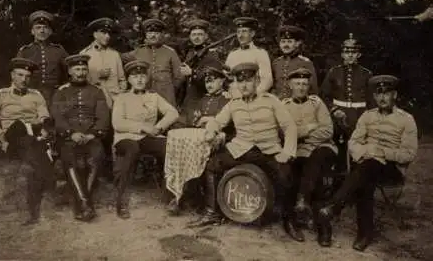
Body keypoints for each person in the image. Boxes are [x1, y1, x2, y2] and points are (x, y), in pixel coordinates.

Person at [188, 62, 297, 227]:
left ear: (257, 80)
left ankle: (288, 220)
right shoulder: (234, 103)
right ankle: (212, 213)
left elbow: (289, 126)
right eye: (240, 81)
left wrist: (287, 152)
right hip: (241, 149)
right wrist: (211, 131)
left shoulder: (271, 101)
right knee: (211, 166)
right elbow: (217, 121)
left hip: (268, 150)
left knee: (286, 173)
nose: (244, 85)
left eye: (248, 80)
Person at [318, 75, 418, 251]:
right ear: (374, 97)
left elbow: (409, 154)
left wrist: (381, 153)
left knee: (366, 169)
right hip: (367, 165)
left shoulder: (406, 119)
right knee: (366, 176)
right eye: (378, 94)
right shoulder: (367, 116)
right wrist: (365, 154)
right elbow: (353, 143)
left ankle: (335, 207)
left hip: (392, 168)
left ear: (394, 95)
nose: (382, 98)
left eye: (387, 93)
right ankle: (364, 234)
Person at [0, 58, 55, 225]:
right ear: (12, 76)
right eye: (20, 75)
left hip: (34, 136)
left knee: (34, 153)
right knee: (23, 134)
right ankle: (48, 180)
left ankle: (33, 213)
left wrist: (45, 127)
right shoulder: (0, 95)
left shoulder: (36, 95)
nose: (24, 79)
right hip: (12, 138)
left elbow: (44, 115)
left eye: (28, 76)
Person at [111, 60, 179, 219]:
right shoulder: (122, 98)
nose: (140, 79)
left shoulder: (154, 97)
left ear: (147, 78)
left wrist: (159, 127)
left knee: (168, 146)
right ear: (129, 80)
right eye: (135, 76)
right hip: (125, 138)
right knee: (132, 149)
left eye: (142, 76)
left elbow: (173, 113)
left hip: (147, 138)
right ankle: (121, 200)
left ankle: (171, 196)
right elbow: (118, 124)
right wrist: (143, 127)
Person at [166, 60, 233, 216]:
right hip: (198, 140)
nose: (209, 84)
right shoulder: (202, 100)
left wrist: (209, 120)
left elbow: (230, 125)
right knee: (181, 153)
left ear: (222, 80)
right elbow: (193, 120)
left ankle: (199, 200)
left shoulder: (228, 100)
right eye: (206, 81)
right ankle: (178, 195)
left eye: (214, 80)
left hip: (219, 140)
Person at [282, 68, 338, 247]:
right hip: (298, 151)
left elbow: (327, 130)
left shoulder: (317, 103)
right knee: (292, 174)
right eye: (297, 84)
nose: (301, 87)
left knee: (317, 161)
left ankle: (322, 225)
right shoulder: (284, 106)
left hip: (321, 148)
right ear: (290, 85)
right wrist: (307, 130)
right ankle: (293, 219)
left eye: (305, 84)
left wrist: (300, 136)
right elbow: (282, 132)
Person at [51, 54, 110, 222]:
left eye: (84, 69)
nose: (81, 72)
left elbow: (103, 116)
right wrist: (71, 133)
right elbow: (57, 116)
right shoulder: (61, 92)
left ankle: (83, 203)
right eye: (77, 69)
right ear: (70, 71)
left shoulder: (96, 91)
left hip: (91, 136)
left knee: (97, 158)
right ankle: (85, 203)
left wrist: (93, 134)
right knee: (70, 159)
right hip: (69, 137)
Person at [320, 33, 373, 151]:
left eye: (353, 53)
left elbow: (371, 100)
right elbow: (324, 95)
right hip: (338, 115)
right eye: (347, 52)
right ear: (342, 54)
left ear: (359, 54)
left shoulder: (367, 74)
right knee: (339, 147)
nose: (350, 55)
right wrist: (334, 110)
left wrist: (367, 116)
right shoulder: (334, 72)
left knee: (359, 147)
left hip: (360, 115)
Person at [121, 18, 184, 107]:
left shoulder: (170, 52)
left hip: (166, 96)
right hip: (145, 96)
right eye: (150, 33)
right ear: (145, 35)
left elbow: (179, 76)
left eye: (156, 33)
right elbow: (119, 57)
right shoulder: (138, 52)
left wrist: (170, 89)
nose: (153, 36)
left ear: (161, 35)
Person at [17, 10, 69, 106]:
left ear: (50, 31)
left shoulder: (59, 50)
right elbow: (17, 77)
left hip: (55, 97)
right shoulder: (25, 51)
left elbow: (70, 72)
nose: (42, 31)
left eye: (45, 28)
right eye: (38, 28)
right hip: (30, 96)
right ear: (32, 31)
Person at [80, 17, 127, 108]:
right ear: (95, 34)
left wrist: (121, 96)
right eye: (104, 33)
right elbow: (80, 80)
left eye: (109, 33)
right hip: (94, 101)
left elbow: (122, 80)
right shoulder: (84, 54)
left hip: (115, 102)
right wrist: (97, 76)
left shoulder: (115, 54)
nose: (107, 36)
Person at [177, 18, 222, 109]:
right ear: (190, 37)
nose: (196, 37)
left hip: (204, 101)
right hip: (188, 102)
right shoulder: (190, 53)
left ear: (206, 36)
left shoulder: (212, 55)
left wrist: (192, 73)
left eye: (200, 34)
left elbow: (213, 81)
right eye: (194, 34)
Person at [225, 17, 273, 99]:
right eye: (238, 32)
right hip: (234, 99)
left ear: (252, 33)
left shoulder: (260, 53)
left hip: (254, 98)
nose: (240, 35)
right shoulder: (232, 55)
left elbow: (267, 81)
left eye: (244, 31)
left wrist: (254, 95)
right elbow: (225, 79)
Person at [271, 25, 319, 100]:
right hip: (278, 105)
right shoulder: (276, 63)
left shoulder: (305, 63)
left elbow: (313, 90)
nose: (286, 45)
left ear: (297, 43)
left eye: (290, 42)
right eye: (283, 42)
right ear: (279, 44)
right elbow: (273, 86)